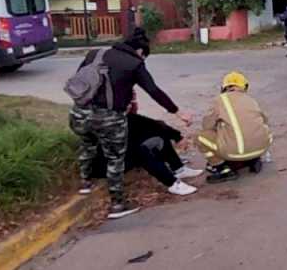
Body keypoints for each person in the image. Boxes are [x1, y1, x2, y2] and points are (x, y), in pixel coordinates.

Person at [69, 28, 192, 219]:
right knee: (115, 158)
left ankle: (85, 183)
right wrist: (177, 112)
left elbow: (79, 82)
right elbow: (153, 90)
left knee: (88, 146)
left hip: (78, 114)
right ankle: (117, 205)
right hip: (108, 119)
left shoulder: (96, 53)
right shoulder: (134, 63)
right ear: (141, 52)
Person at [91, 109, 204, 196]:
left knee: (158, 135)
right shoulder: (108, 121)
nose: (131, 104)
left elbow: (154, 124)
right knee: (141, 151)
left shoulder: (125, 116)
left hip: (122, 153)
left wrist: (177, 136)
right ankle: (172, 184)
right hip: (105, 165)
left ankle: (179, 169)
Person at [196, 72, 272, 183]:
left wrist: (221, 129)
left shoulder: (220, 100)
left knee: (200, 137)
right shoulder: (251, 100)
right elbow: (264, 120)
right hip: (262, 148)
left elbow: (207, 125)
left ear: (224, 87)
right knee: (258, 129)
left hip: (235, 152)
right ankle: (253, 159)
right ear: (245, 86)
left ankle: (222, 169)